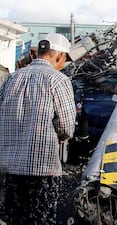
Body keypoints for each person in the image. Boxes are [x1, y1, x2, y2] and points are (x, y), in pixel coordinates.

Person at [0, 33, 76, 225]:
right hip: (42, 170)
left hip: (8, 168)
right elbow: (66, 126)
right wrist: (60, 135)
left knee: (13, 219)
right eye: (65, 60)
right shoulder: (58, 80)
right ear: (59, 56)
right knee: (40, 220)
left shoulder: (11, 79)